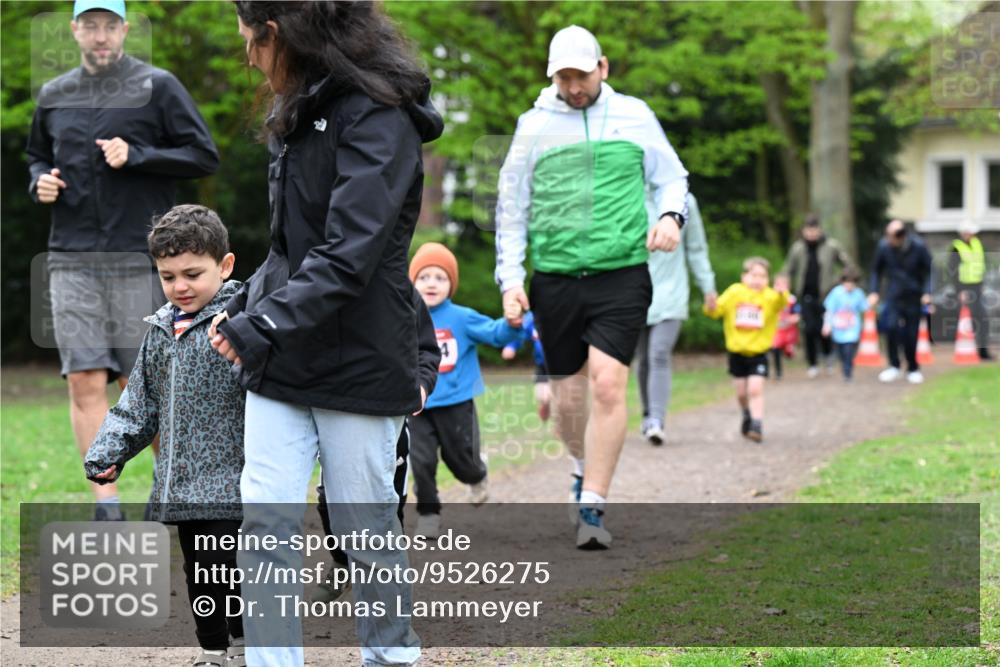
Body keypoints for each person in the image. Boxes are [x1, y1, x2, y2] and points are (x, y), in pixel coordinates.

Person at [208, 4, 442, 666]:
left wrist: (263, 323)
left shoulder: (379, 116)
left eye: (250, 44)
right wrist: (239, 308)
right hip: (283, 360)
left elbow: (349, 256)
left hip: (361, 361)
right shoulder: (295, 108)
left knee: (365, 529)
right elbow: (289, 250)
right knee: (266, 524)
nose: (249, 58)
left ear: (276, 34)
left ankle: (390, 657)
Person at [494, 25, 689, 549]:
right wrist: (511, 280)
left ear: (602, 67)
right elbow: (511, 211)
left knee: (607, 383)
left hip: (622, 272)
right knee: (567, 403)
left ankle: (593, 505)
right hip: (556, 279)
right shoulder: (533, 127)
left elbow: (673, 177)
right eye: (564, 77)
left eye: (581, 75)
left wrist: (671, 216)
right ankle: (581, 465)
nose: (574, 86)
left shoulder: (635, 117)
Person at [26, 0, 219, 519]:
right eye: (90, 25)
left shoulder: (158, 86)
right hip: (71, 257)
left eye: (110, 25)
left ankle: (171, 487)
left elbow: (204, 154)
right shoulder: (55, 94)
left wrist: (139, 156)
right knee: (85, 377)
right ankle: (106, 504)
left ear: (125, 30)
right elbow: (36, 154)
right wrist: (37, 179)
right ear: (74, 31)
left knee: (144, 382)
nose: (101, 35)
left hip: (142, 259)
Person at [83, 206, 245, 667]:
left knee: (237, 571)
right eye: (168, 276)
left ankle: (249, 646)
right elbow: (140, 402)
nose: (180, 286)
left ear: (225, 265)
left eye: (193, 273)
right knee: (202, 574)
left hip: (239, 480)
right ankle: (213, 652)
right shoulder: (159, 330)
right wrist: (109, 450)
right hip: (183, 482)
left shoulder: (243, 319)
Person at [313, 286, 441, 604]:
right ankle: (342, 562)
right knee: (330, 502)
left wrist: (422, 386)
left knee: (385, 505)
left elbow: (426, 351)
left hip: (387, 418)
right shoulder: (324, 286)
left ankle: (386, 585)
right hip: (336, 413)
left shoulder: (402, 293)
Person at [407, 242, 522, 538]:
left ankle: (477, 473)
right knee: (421, 461)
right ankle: (428, 514)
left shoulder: (462, 317)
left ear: (451, 284)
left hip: (456, 403)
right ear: (412, 281)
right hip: (417, 404)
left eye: (440, 277)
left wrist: (511, 323)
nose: (432, 283)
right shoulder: (405, 316)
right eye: (424, 277)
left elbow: (496, 334)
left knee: (462, 462)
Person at [636, 192, 716, 445]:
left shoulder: (685, 202)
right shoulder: (629, 194)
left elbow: (696, 249)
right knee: (643, 359)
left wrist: (708, 287)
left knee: (658, 353)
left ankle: (657, 419)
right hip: (634, 291)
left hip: (672, 293)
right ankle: (648, 414)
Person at [704, 257, 789, 443]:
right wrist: (710, 305)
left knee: (755, 389)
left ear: (768, 279)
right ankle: (746, 414)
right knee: (742, 393)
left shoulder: (770, 296)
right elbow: (717, 310)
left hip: (758, 353)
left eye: (763, 276)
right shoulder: (735, 292)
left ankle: (757, 425)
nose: (757, 280)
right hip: (736, 352)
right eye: (753, 275)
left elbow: (782, 302)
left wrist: (782, 292)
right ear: (744, 276)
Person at [781, 215, 855, 378]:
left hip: (827, 296)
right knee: (809, 329)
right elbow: (788, 268)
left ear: (819, 230)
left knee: (825, 329)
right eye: (808, 230)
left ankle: (828, 357)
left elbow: (848, 265)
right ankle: (812, 363)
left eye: (814, 230)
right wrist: (782, 283)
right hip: (806, 295)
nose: (812, 234)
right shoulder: (798, 248)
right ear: (804, 231)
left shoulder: (831, 246)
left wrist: (839, 281)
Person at [868, 220, 933, 384]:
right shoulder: (884, 247)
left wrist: (927, 292)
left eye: (892, 236)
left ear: (901, 236)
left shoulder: (918, 246)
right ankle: (893, 365)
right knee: (890, 327)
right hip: (893, 295)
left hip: (913, 295)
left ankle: (913, 368)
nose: (888, 239)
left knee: (911, 334)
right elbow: (876, 270)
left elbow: (929, 270)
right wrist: (874, 291)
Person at [948, 220, 994, 361]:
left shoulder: (977, 244)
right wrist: (960, 290)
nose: (973, 235)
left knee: (981, 319)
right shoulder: (957, 247)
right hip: (964, 288)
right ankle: (969, 351)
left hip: (977, 286)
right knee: (968, 320)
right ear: (964, 233)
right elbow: (952, 270)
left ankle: (982, 351)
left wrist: (983, 284)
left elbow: (981, 264)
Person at [501, 310, 553, 422]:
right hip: (542, 365)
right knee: (543, 397)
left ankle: (560, 418)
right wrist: (511, 346)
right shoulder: (531, 318)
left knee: (565, 402)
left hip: (563, 364)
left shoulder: (566, 313)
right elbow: (520, 333)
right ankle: (546, 403)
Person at [822, 267, 869, 381]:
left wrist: (870, 302)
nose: (849, 286)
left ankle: (848, 372)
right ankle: (845, 367)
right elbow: (830, 310)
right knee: (841, 352)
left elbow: (864, 307)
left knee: (849, 351)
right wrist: (827, 324)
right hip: (839, 330)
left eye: (852, 283)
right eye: (847, 282)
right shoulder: (836, 293)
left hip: (853, 329)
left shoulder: (858, 294)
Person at [769, 272, 799, 380]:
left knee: (788, 352)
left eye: (783, 284)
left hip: (788, 330)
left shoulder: (791, 300)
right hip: (776, 330)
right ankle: (778, 372)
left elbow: (797, 315)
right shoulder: (769, 298)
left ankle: (789, 351)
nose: (780, 287)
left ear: (788, 286)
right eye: (777, 284)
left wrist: (790, 319)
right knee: (775, 348)